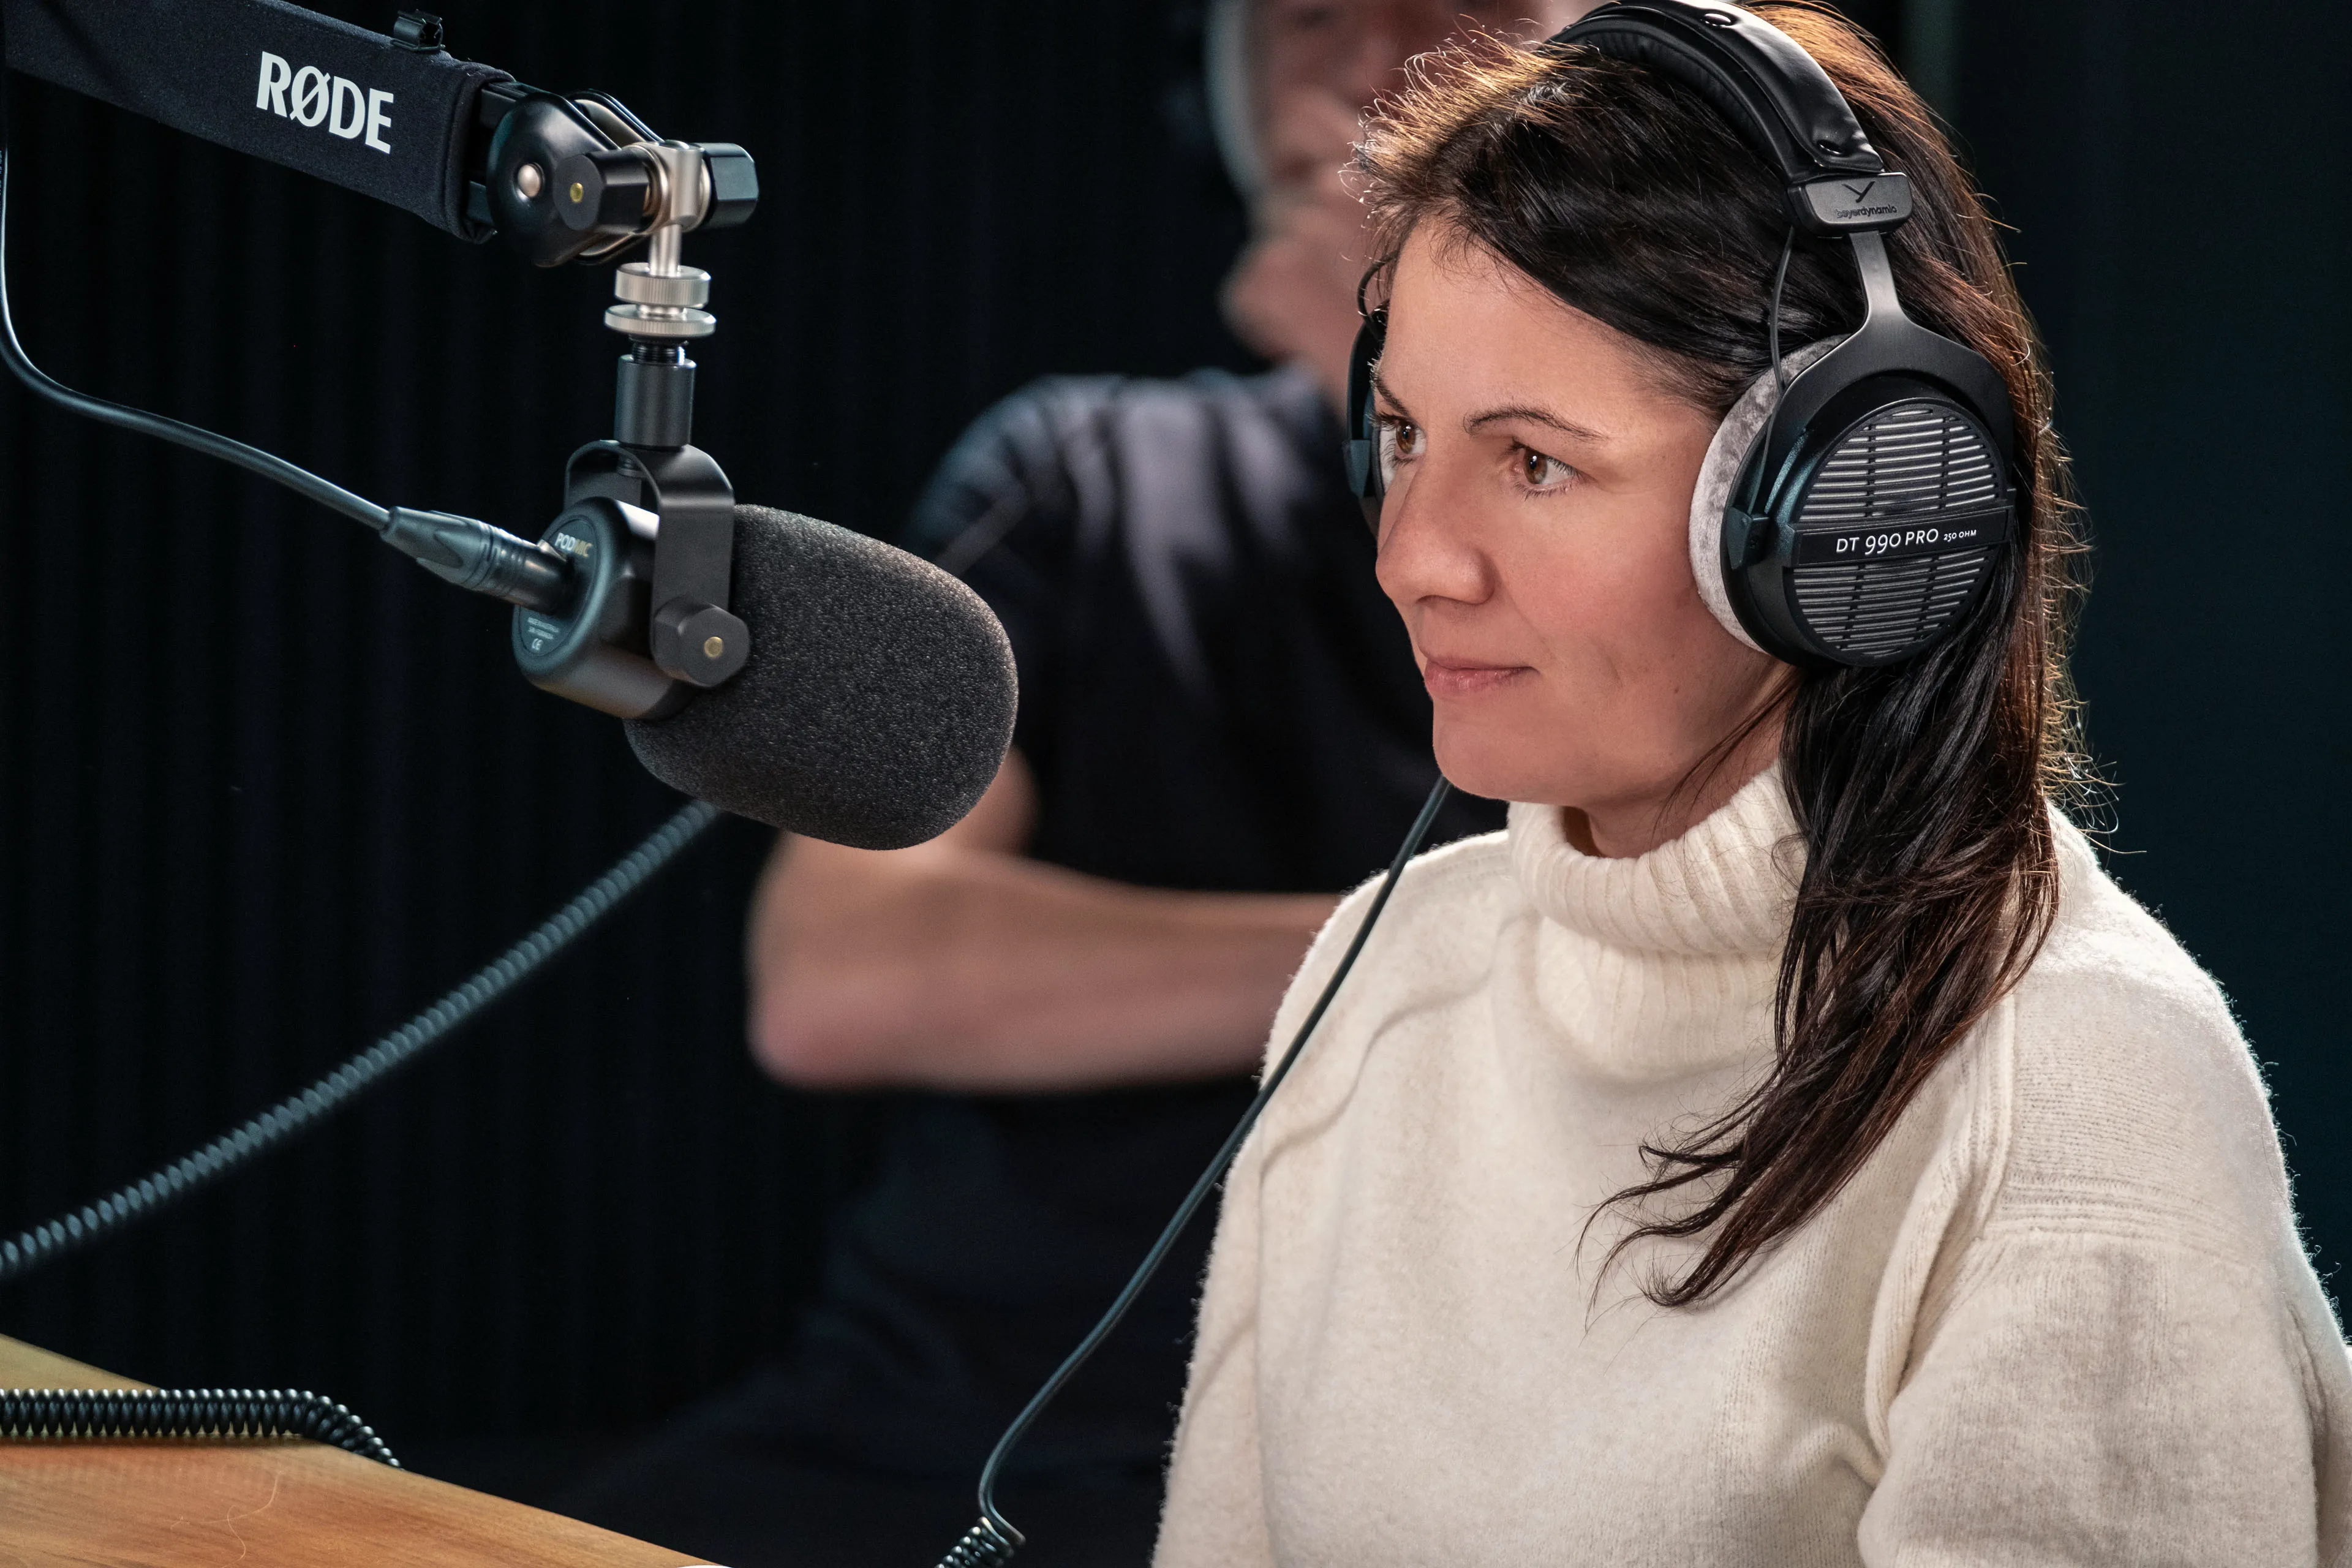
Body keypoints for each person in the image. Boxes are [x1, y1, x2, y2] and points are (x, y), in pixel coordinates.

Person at [1156, 7, 2352, 1565]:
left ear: (1851, 509)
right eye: (1401, 436)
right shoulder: (1389, 972)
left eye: (1534, 463)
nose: (1412, 557)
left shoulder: (2077, 1095)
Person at [549, 6, 1581, 1566]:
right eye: (1311, 16)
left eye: (1465, 11)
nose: (1378, 62)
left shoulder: (1722, 530)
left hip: (1405, 1481)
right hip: (913, 1423)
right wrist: (1420, 948)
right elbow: (840, 972)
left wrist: (1401, 385)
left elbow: (1691, 947)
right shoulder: (1084, 468)